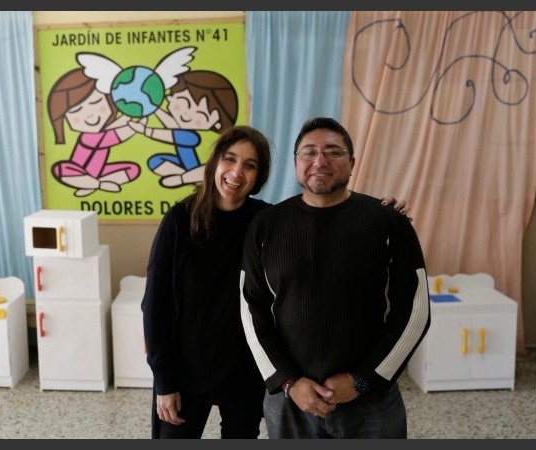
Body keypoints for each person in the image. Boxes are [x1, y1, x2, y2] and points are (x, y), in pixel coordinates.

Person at [142, 124, 411, 439]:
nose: (237, 172)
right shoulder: (179, 221)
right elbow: (155, 305)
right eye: (229, 159)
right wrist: (165, 381)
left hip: (245, 374)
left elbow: (317, 220)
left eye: (250, 165)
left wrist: (384, 212)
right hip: (185, 373)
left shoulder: (266, 222)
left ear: (260, 176)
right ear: (214, 163)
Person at [239, 117, 431, 439]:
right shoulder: (266, 227)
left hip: (372, 402)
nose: (320, 161)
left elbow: (415, 310)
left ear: (352, 163)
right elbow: (251, 307)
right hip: (291, 401)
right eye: (308, 152)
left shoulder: (389, 224)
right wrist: (288, 381)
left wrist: (363, 379)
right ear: (296, 162)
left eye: (333, 152)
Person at [129, 70, 238, 188]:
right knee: (155, 161)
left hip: (202, 169)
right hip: (186, 166)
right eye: (183, 102)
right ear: (171, 98)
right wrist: (155, 108)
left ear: (216, 123)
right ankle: (192, 178)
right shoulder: (182, 131)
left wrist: (146, 131)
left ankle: (183, 178)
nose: (187, 115)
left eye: (200, 114)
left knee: (211, 168)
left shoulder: (192, 137)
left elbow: (171, 134)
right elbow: (172, 126)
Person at [47, 68, 143, 197]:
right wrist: (136, 127)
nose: (91, 116)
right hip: (77, 171)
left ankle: (90, 183)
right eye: (76, 111)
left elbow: (112, 128)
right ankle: (98, 184)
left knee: (133, 169)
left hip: (99, 172)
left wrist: (131, 115)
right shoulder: (88, 137)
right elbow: (115, 136)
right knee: (60, 169)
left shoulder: (100, 133)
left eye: (96, 102)